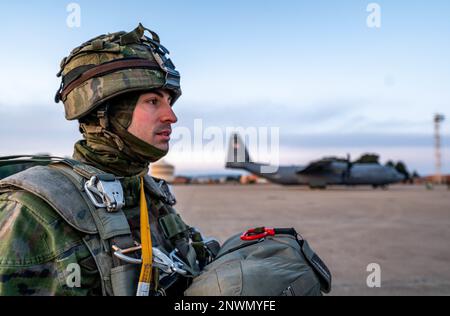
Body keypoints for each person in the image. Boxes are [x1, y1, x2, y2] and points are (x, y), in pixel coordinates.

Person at [0, 24, 218, 296]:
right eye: (153, 101)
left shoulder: (149, 193)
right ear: (104, 111)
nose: (171, 117)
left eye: (169, 102)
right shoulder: (33, 211)